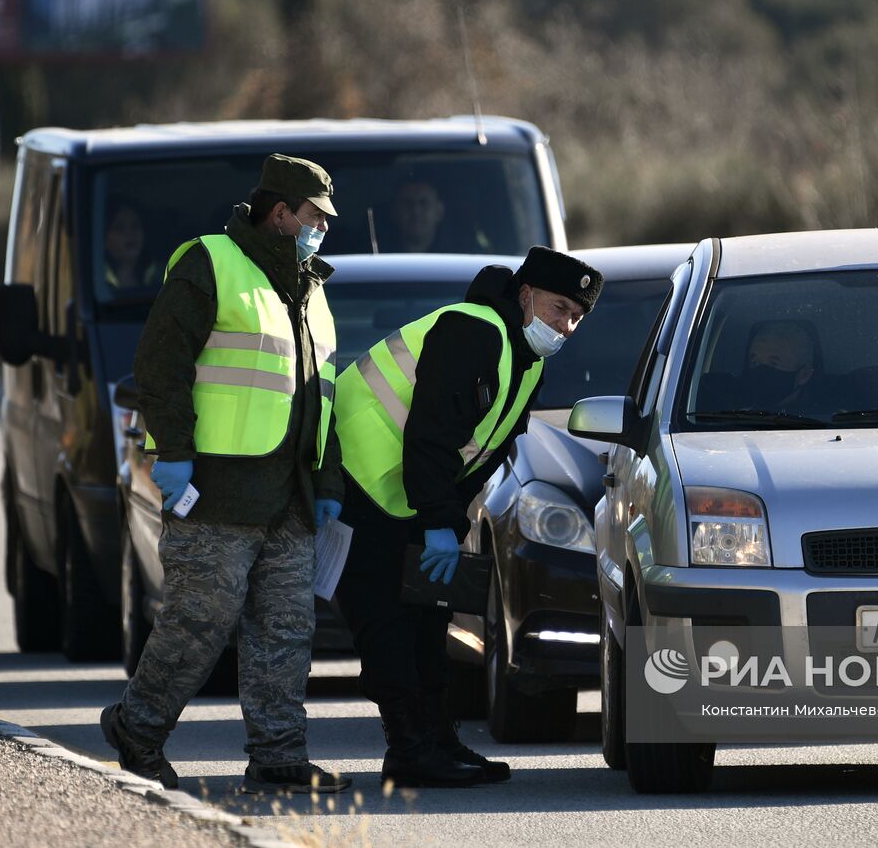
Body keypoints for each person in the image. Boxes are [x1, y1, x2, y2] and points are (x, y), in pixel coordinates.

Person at [100, 154, 349, 796]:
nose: (323, 229)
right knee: (198, 621)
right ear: (280, 213)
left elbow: (321, 395)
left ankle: (279, 755)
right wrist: (173, 451)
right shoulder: (209, 263)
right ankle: (138, 728)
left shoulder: (311, 286)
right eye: (315, 217)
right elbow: (161, 366)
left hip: (289, 495)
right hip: (214, 491)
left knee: (286, 629)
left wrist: (326, 482)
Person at [332, 245, 603, 788]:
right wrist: (438, 519)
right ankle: (408, 749)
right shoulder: (474, 331)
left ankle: (438, 740)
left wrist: (450, 521)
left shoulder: (526, 361)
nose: (566, 327)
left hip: (407, 497)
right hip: (357, 488)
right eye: (557, 309)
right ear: (525, 295)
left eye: (576, 317)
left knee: (429, 621)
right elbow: (431, 435)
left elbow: (488, 451)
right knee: (387, 624)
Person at [103, 201, 160, 291]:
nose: (130, 233)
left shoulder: (162, 278)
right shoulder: (95, 283)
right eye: (119, 228)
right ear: (104, 239)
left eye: (135, 226)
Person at [393, 179, 445, 253]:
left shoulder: (457, 257)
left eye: (424, 203)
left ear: (439, 212)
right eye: (408, 203)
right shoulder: (378, 256)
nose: (416, 211)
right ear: (395, 212)